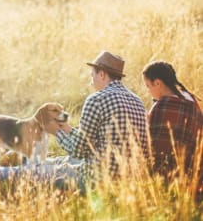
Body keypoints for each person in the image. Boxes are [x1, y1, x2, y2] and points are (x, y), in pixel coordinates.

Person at [44, 51, 148, 185]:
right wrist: (69, 130)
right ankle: (23, 160)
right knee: (54, 161)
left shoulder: (97, 99)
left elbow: (78, 151)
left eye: (92, 75)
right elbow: (95, 141)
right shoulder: (138, 101)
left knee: (30, 172)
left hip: (95, 178)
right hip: (129, 180)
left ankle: (13, 169)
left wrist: (56, 132)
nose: (91, 81)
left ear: (102, 74)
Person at [143, 61, 203, 198]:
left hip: (167, 181)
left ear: (157, 83)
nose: (149, 91)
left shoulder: (162, 106)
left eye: (148, 86)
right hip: (195, 178)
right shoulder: (193, 103)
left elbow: (153, 146)